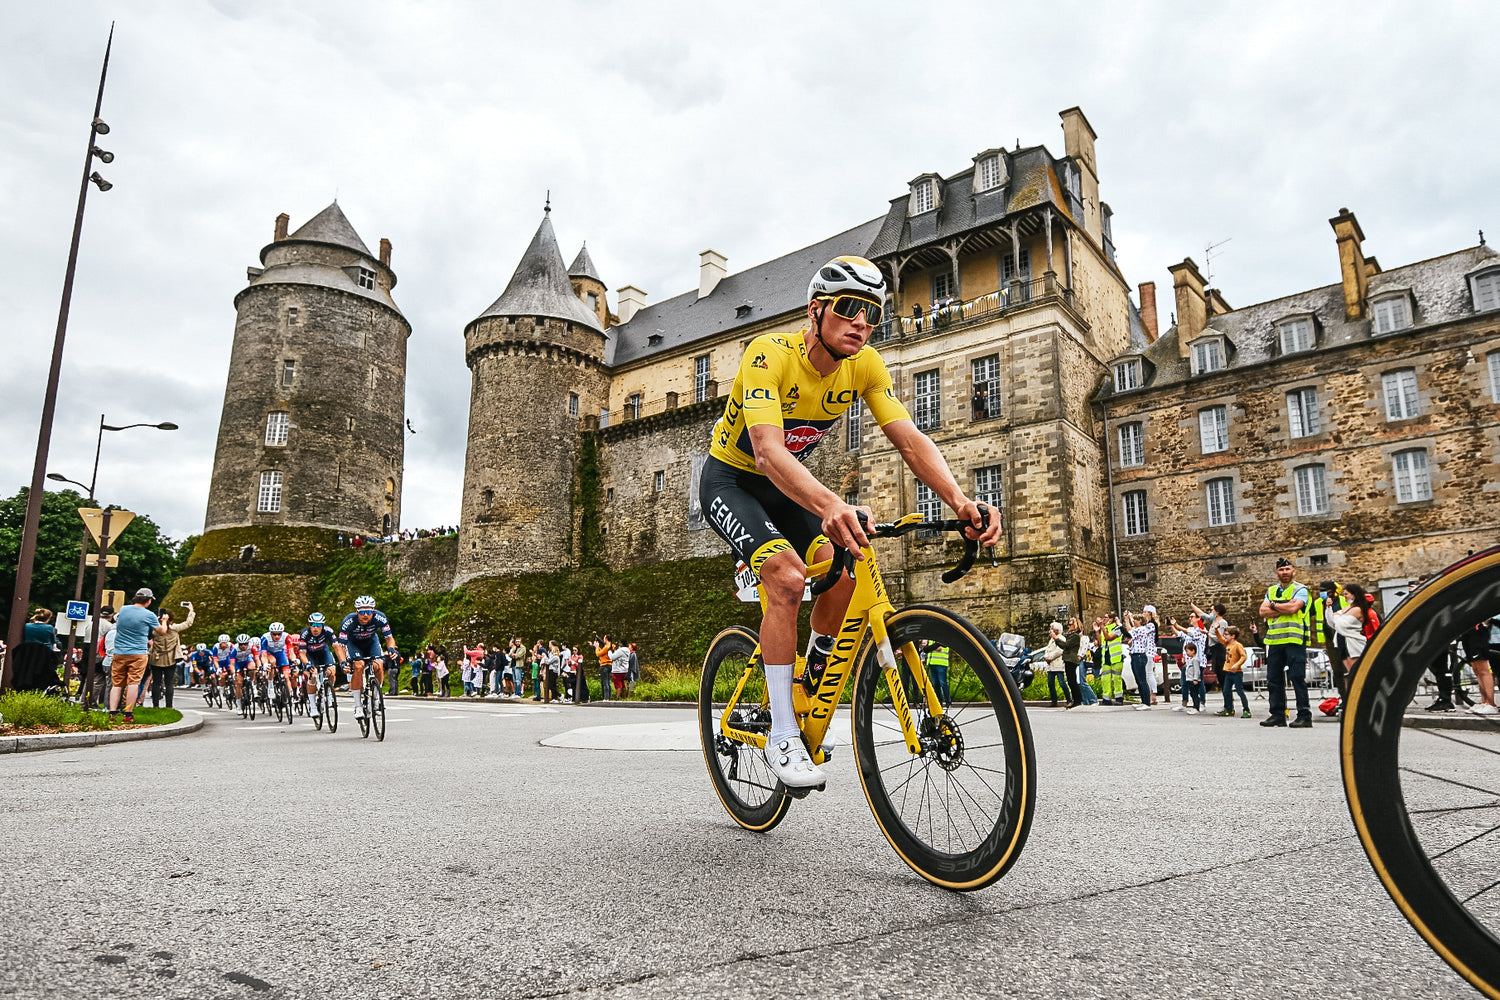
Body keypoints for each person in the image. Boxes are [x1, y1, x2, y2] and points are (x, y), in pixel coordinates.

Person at [697, 255, 1000, 789]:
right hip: (734, 482)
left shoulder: (866, 366)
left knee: (847, 570)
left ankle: (811, 682)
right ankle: (784, 733)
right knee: (789, 579)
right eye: (850, 309)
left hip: (788, 490)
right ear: (817, 311)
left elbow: (909, 439)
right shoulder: (769, 356)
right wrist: (832, 503)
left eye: (873, 313)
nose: (863, 322)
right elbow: (767, 452)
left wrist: (959, 502)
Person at [1259, 557, 1312, 728]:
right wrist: (1282, 606)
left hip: (1294, 638)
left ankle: (1304, 714)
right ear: (1277, 572)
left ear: (1293, 571)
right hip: (1274, 640)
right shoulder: (1272, 590)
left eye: (1287, 569)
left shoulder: (1301, 589)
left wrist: (1274, 606)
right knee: (1273, 678)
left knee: (1297, 677)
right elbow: (1262, 611)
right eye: (1281, 570)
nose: (1285, 573)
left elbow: (1293, 608)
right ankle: (1277, 714)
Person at [108, 589, 170, 722]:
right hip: (138, 653)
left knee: (117, 683)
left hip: (119, 652)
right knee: (133, 682)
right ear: (148, 601)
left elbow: (116, 619)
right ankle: (128, 714)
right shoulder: (149, 615)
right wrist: (164, 621)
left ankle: (112, 713)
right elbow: (162, 632)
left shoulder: (123, 610)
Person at [333, 595, 397, 719]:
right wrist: (343, 662)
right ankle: (357, 706)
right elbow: (341, 646)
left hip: (371, 642)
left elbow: (389, 638)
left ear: (373, 611)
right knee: (359, 665)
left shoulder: (380, 617)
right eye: (362, 612)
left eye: (369, 611)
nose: (366, 615)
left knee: (379, 665)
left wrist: (391, 649)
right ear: (357, 611)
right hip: (353, 644)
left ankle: (377, 699)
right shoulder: (348, 621)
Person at [146, 603, 195, 709]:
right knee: (169, 683)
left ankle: (155, 705)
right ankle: (169, 706)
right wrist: (191, 610)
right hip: (170, 659)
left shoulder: (154, 630)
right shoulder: (174, 629)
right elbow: (188, 623)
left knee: (156, 682)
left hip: (156, 658)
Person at [1126, 606, 1160, 709]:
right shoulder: (1147, 626)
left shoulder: (1151, 625)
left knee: (1147, 674)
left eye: (1145, 612)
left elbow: (1134, 631)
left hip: (1147, 651)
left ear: (1150, 613)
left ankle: (1152, 696)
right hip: (1143, 651)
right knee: (1142, 677)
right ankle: (1145, 698)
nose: (1143, 613)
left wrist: (1130, 619)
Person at [1215, 626, 1250, 717]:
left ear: (1233, 636)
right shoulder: (1227, 644)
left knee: (1239, 691)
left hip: (1236, 672)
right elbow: (1220, 639)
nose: (1224, 636)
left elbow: (1243, 656)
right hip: (1228, 671)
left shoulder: (1237, 645)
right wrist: (1216, 630)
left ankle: (1246, 710)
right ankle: (1229, 709)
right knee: (1226, 691)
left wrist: (1237, 664)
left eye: (1226, 634)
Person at [1059, 618, 1086, 707]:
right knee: (1071, 681)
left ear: (1075, 625)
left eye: (1070, 625)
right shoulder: (1071, 635)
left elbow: (1066, 645)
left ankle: (1077, 700)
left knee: (1072, 681)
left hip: (1071, 659)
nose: (1068, 626)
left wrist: (1056, 638)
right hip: (1068, 659)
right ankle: (1076, 700)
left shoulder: (1075, 636)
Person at [1041, 623, 1068, 708]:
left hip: (1058, 664)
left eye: (1052, 628)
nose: (1050, 630)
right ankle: (1054, 700)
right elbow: (1048, 649)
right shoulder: (1051, 640)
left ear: (1057, 630)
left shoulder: (1061, 638)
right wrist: (1046, 656)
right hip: (1051, 666)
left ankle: (1069, 699)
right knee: (1050, 683)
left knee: (1062, 682)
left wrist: (1050, 657)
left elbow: (1059, 651)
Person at [1181, 641, 1205, 714]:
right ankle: (1195, 706)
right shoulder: (1191, 660)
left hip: (1193, 680)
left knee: (1194, 694)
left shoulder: (1195, 660)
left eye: (1188, 651)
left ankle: (1196, 707)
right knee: (1192, 693)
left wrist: (1195, 679)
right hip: (1190, 679)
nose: (1187, 653)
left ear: (1193, 651)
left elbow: (1197, 670)